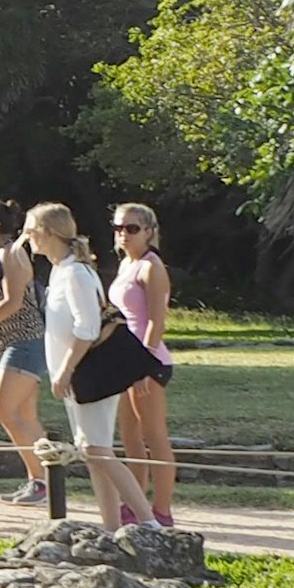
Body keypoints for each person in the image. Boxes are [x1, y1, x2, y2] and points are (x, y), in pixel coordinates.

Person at [32, 204, 151, 527]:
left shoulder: (76, 273)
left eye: (32, 231)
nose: (28, 237)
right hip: (74, 375)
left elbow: (88, 327)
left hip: (88, 370)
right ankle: (111, 526)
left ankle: (148, 521)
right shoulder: (60, 271)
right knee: (92, 452)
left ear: (48, 233)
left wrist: (65, 370)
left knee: (98, 450)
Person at [0, 196, 57, 512]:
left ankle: (42, 480)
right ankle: (42, 481)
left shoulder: (8, 254)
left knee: (3, 410)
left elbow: (11, 303)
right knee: (25, 415)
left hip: (24, 341)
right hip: (9, 343)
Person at [106, 203, 175, 526]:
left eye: (132, 228)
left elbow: (156, 322)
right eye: (119, 228)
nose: (124, 234)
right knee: (130, 437)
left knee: (154, 435)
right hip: (123, 361)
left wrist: (143, 365)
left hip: (148, 361)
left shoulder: (151, 267)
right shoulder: (126, 266)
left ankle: (162, 510)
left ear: (149, 231)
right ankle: (135, 504)